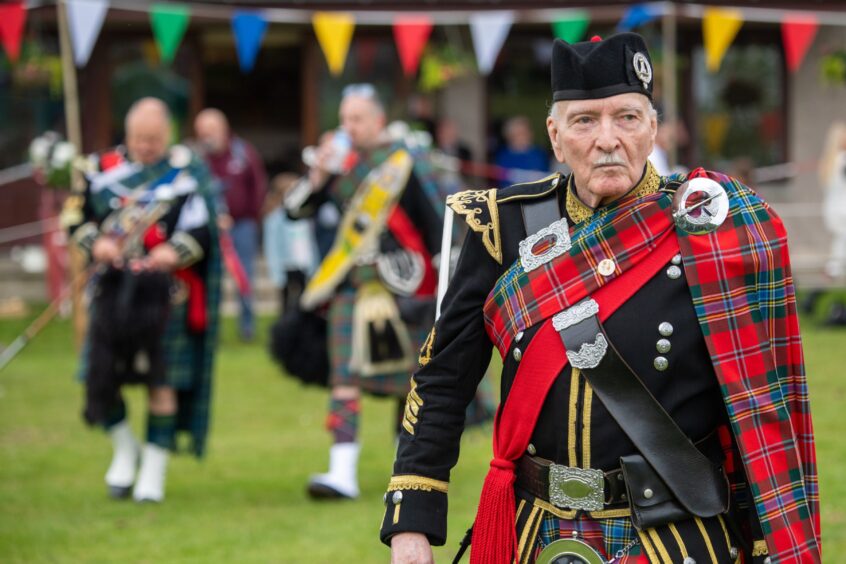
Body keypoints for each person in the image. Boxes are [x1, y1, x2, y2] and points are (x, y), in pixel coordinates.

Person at [382, 33, 820, 564]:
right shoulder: (503, 226)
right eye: (584, 120)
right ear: (556, 134)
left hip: (675, 535)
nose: (607, 139)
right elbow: (443, 381)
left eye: (627, 118)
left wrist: (763, 539)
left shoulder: (710, 227)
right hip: (535, 532)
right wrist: (412, 525)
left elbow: (756, 403)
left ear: (653, 127)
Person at [288, 84, 444, 500]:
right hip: (353, 284)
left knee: (410, 384)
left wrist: (447, 282)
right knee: (344, 378)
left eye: (356, 118)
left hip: (403, 284)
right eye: (344, 118)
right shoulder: (340, 164)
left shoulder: (406, 161)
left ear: (377, 120)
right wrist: (318, 175)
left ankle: (405, 475)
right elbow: (294, 209)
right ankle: (342, 474)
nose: (348, 127)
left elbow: (439, 220)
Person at [69, 97, 221, 503]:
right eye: (139, 138)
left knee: (163, 383)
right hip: (112, 294)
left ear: (167, 134)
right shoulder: (99, 171)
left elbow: (206, 230)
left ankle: (153, 473)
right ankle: (125, 450)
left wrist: (174, 253)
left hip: (165, 298)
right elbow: (75, 219)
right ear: (128, 132)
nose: (146, 146)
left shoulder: (187, 173)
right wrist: (96, 243)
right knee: (101, 378)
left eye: (153, 139)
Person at [194, 108, 267, 341]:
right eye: (203, 132)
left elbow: (258, 186)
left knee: (244, 276)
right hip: (209, 228)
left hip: (242, 225)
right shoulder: (197, 160)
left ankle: (247, 328)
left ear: (223, 129)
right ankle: (207, 326)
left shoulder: (243, 153)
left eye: (211, 131)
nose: (208, 137)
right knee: (208, 277)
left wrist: (250, 216)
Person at [261, 172, 318, 315]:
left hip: (305, 264)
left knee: (307, 302)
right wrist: (276, 272)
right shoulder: (274, 219)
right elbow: (272, 248)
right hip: (287, 266)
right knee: (287, 306)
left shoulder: (307, 216)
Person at [821, 122, 846, 281]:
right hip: (841, 209)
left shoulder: (830, 161)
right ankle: (834, 268)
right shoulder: (842, 159)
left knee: (841, 239)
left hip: (832, 209)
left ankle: (834, 267)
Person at [494, 115, 549, 187]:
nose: (526, 136)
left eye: (526, 132)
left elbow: (546, 175)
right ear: (510, 136)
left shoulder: (539, 153)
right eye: (520, 134)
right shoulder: (504, 156)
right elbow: (504, 181)